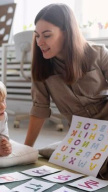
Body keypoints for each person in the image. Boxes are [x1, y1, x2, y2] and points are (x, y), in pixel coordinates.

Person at [24, 3, 108, 147]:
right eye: (37, 36)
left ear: (67, 32)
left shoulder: (98, 53)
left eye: (47, 35)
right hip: (81, 137)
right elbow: (39, 109)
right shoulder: (41, 67)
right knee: (46, 156)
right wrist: (26, 149)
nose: (40, 42)